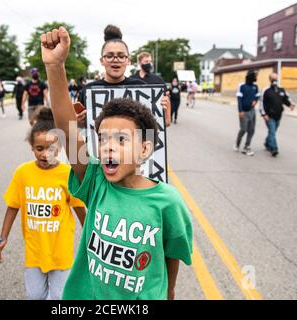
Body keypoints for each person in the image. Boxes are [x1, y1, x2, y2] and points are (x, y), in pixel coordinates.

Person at [41, 26, 193, 300]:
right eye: (103, 139)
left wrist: (169, 291)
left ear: (145, 148)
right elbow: (66, 128)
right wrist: (55, 66)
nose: (109, 145)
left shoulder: (169, 201)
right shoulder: (96, 182)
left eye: (122, 139)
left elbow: (172, 253)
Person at [0, 107, 86, 300]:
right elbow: (13, 205)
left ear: (60, 147)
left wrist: (91, 239)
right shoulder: (23, 173)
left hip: (60, 251)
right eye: (39, 149)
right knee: (35, 296)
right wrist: (3, 237)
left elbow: (79, 208)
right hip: (34, 251)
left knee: (60, 297)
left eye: (52, 148)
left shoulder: (67, 174)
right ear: (31, 147)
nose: (45, 154)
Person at [130, 51, 171, 127]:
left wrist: (167, 119)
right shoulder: (131, 79)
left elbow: (167, 98)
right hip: (133, 121)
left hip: (151, 121)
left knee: (148, 137)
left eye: (150, 61)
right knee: (135, 138)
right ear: (140, 62)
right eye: (146, 61)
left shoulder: (158, 80)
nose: (149, 64)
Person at [260, 73, 295, 157]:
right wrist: (263, 114)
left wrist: (290, 105)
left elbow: (286, 99)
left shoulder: (281, 89)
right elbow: (262, 103)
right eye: (273, 78)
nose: (275, 80)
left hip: (278, 116)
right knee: (272, 132)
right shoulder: (266, 90)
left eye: (276, 78)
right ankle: (274, 149)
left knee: (273, 132)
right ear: (270, 79)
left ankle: (267, 143)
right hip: (269, 116)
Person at [234, 70, 260, 156]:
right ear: (251, 76)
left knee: (251, 130)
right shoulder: (241, 86)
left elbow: (257, 96)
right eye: (255, 76)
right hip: (243, 111)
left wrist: (255, 101)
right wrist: (240, 111)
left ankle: (247, 146)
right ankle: (237, 143)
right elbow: (239, 99)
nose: (256, 77)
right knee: (243, 129)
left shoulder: (255, 86)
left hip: (252, 111)